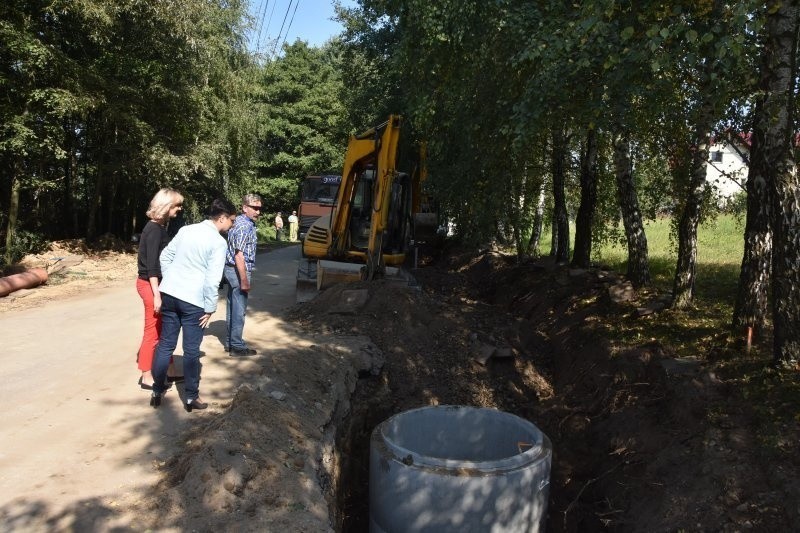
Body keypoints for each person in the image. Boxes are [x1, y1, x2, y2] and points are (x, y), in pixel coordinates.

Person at [149, 198, 237, 411]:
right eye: (232, 221)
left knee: (165, 345)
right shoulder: (218, 242)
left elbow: (166, 257)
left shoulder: (187, 230)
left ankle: (157, 389)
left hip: (170, 294)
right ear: (222, 218)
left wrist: (172, 280)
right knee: (191, 350)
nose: (232, 225)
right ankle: (190, 398)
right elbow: (212, 280)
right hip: (194, 301)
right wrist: (210, 308)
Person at [136, 188, 184, 390]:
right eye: (177, 205)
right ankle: (146, 376)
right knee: (153, 331)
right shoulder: (154, 230)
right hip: (150, 285)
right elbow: (152, 267)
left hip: (155, 285)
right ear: (166, 206)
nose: (179, 209)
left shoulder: (158, 227)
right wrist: (157, 295)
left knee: (165, 330)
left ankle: (170, 371)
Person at [224, 194, 262, 357]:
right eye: (254, 208)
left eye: (259, 208)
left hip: (232, 269)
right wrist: (244, 280)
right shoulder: (243, 226)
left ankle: (230, 343)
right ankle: (237, 347)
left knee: (232, 306)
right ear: (244, 207)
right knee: (239, 309)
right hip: (237, 270)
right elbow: (239, 255)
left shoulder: (240, 222)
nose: (258, 212)